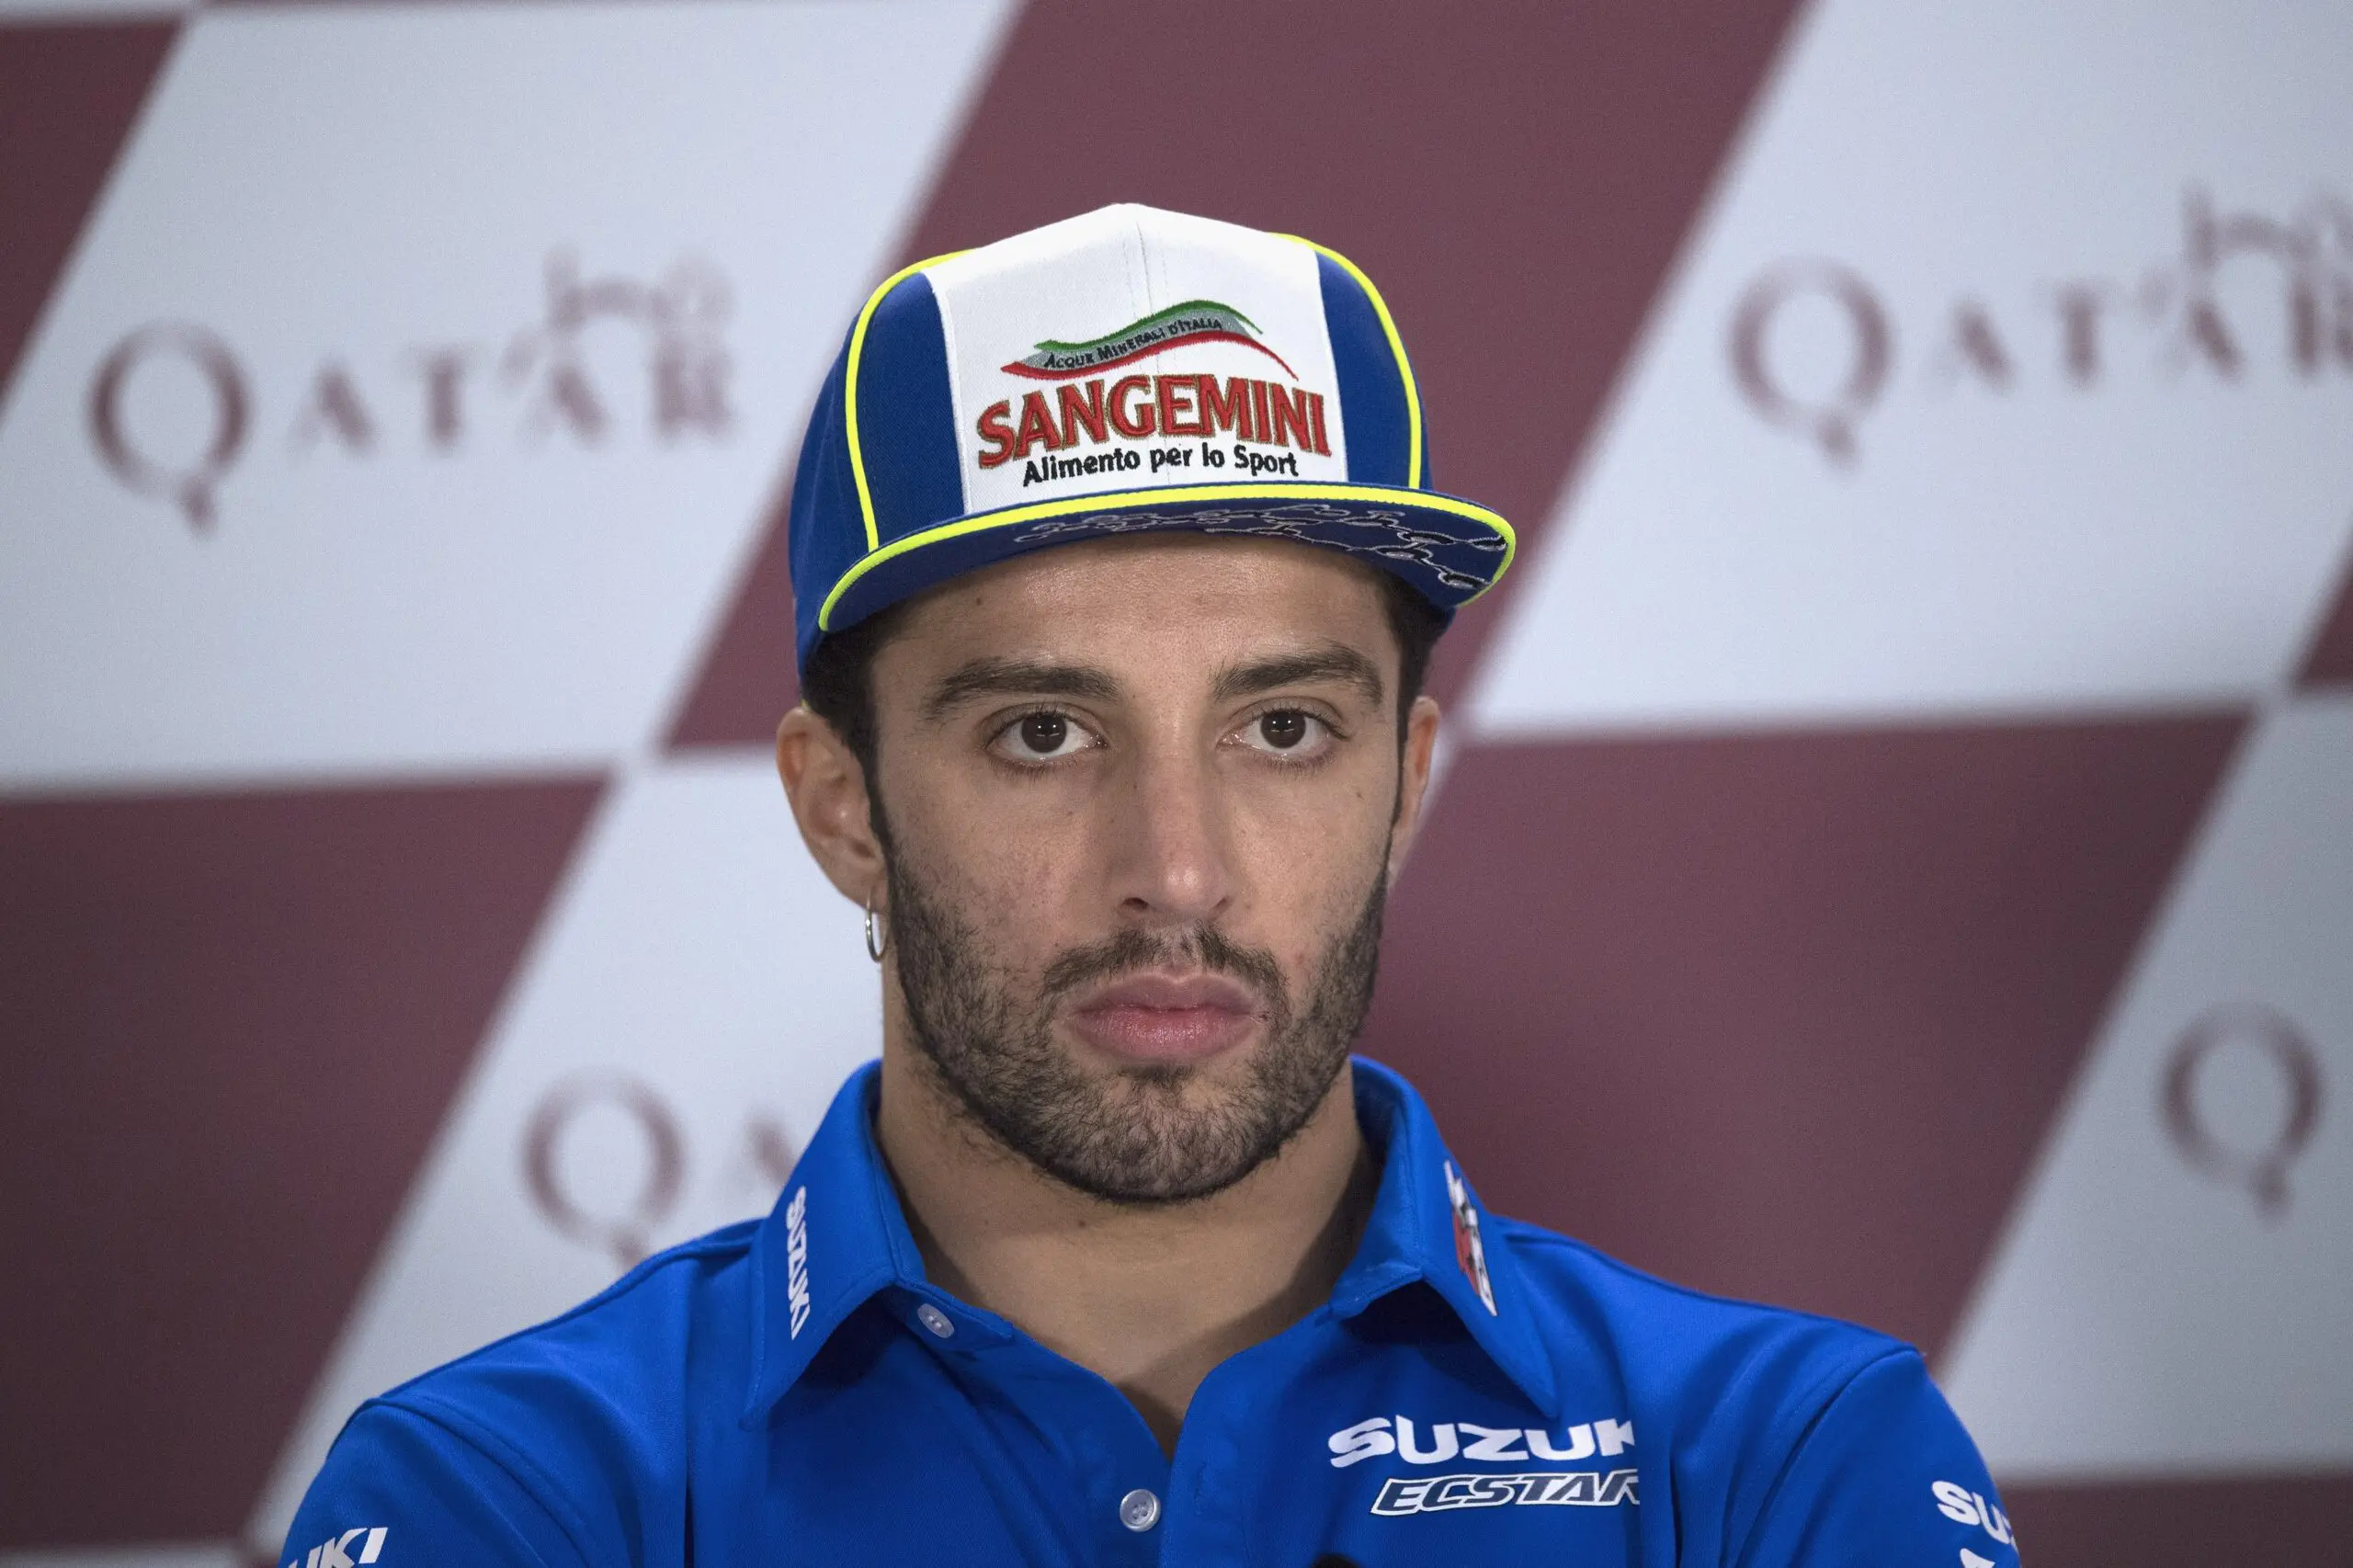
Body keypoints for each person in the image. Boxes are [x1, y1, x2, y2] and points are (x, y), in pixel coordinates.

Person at [283, 205, 2016, 1567]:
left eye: (1282, 727)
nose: (1176, 870)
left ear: (1405, 783)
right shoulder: (511, 1495)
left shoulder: (1783, 1464)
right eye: (1043, 732)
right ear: (844, 807)